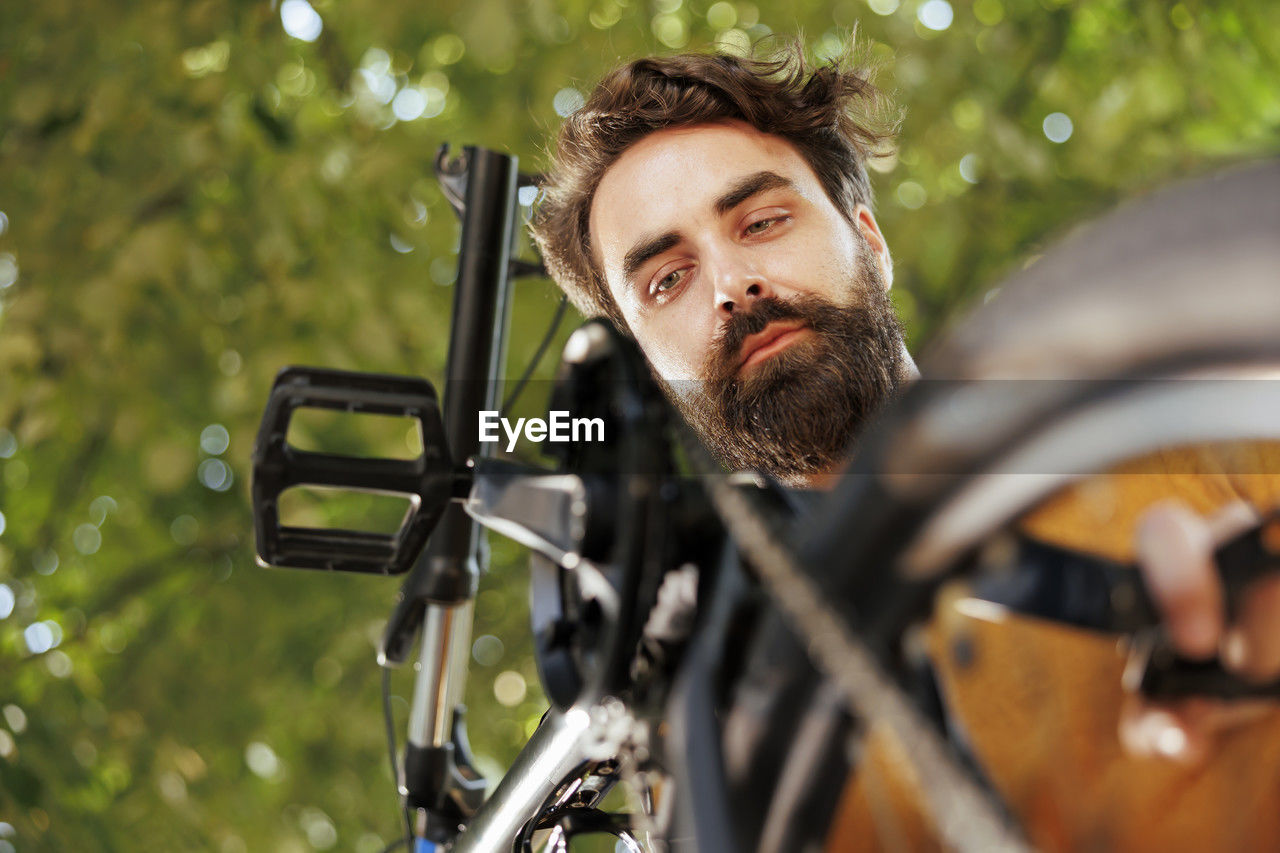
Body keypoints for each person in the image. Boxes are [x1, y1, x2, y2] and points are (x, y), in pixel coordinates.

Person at [529, 38, 1280, 846]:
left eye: (762, 221)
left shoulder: (1180, 428)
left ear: (871, 242)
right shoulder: (695, 731)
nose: (730, 286)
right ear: (646, 366)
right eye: (666, 280)